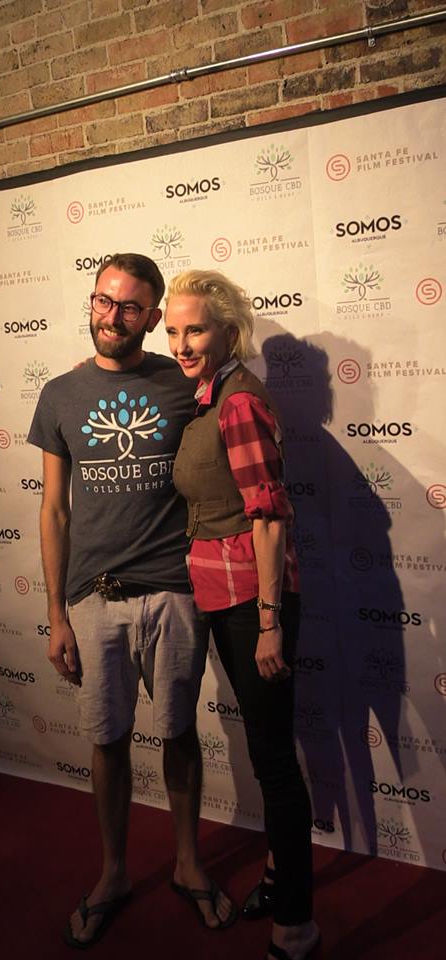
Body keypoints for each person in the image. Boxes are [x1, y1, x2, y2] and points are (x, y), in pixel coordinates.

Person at [28, 253, 236, 949]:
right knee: (107, 739)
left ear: (151, 317)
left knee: (179, 733)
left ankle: (187, 862)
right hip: (95, 598)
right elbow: (54, 510)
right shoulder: (59, 394)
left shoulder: (184, 381)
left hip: (176, 590)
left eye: (129, 307)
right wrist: (56, 614)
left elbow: (232, 416)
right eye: (102, 300)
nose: (111, 316)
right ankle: (114, 873)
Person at [164, 270, 320, 960]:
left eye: (195, 330)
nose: (181, 344)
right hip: (223, 596)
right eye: (173, 331)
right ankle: (281, 875)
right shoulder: (208, 393)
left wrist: (268, 622)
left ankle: (298, 925)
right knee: (267, 750)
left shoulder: (237, 404)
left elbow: (269, 517)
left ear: (228, 332)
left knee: (274, 762)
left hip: (250, 602)